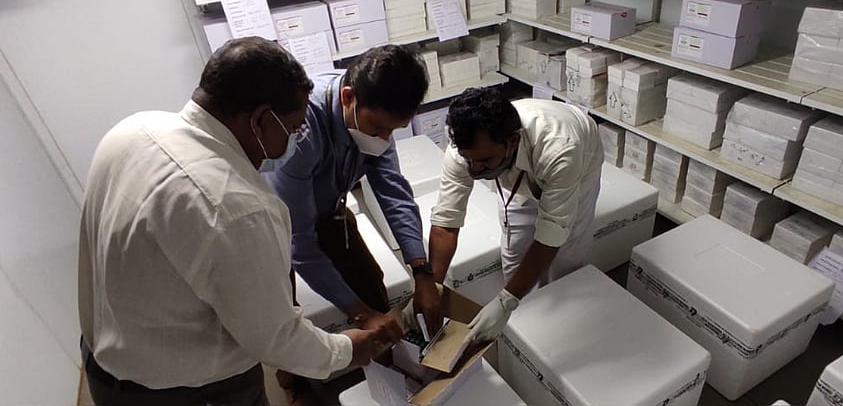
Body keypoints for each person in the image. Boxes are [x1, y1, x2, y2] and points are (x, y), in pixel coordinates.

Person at [78, 37, 385, 406]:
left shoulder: (134, 129)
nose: (296, 140)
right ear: (259, 120)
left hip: (106, 363)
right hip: (186, 391)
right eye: (293, 129)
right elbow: (275, 338)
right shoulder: (237, 208)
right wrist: (347, 349)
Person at [263, 45, 442, 399]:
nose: (384, 140)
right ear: (348, 97)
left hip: (330, 208)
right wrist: (359, 313)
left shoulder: (377, 119)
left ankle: (391, 373)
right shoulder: (300, 131)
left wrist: (422, 273)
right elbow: (299, 241)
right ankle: (295, 381)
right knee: (283, 312)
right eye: (378, 128)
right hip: (274, 221)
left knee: (372, 287)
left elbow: (394, 193)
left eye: (394, 130)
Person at [428, 88, 605, 343]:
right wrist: (432, 285)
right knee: (514, 251)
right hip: (521, 175)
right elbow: (447, 221)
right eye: (470, 161)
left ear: (512, 141)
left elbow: (551, 234)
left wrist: (504, 301)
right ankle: (527, 332)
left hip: (576, 171)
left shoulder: (561, 148)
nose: (476, 170)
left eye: (485, 160)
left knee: (567, 255)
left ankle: (566, 327)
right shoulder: (464, 151)